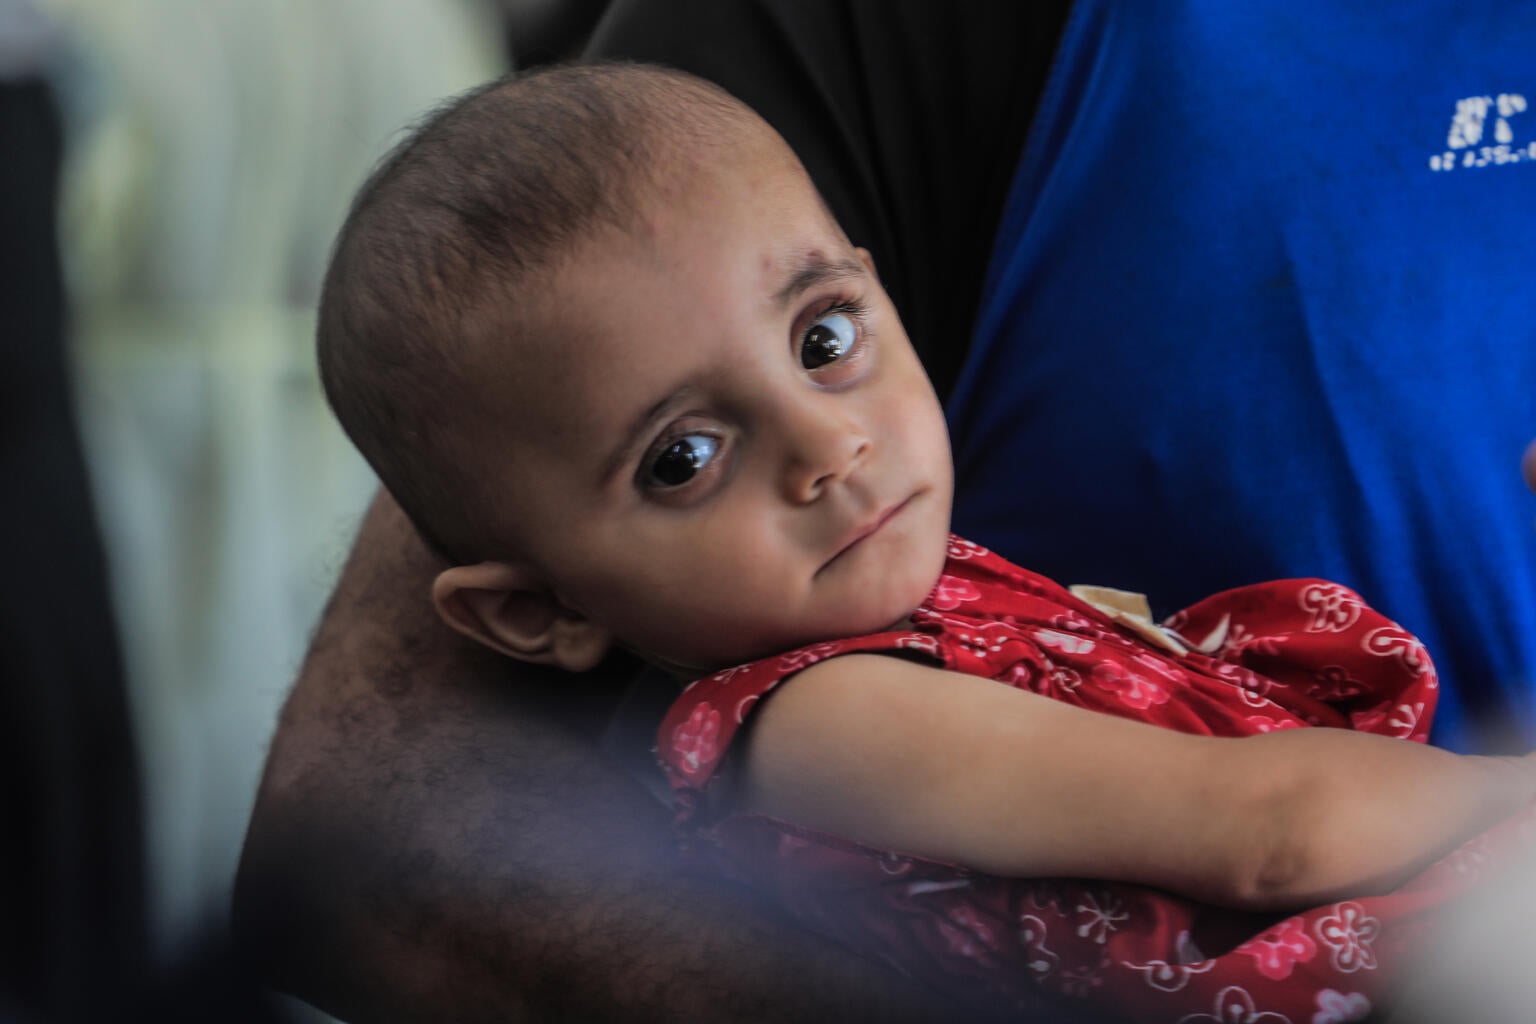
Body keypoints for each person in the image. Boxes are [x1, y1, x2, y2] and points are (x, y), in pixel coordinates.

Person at [235, 1, 1536, 1020]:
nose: (824, 444)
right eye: (683, 458)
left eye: (827, 334)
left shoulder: (953, 606)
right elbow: (1269, 834)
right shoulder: (823, 712)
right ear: (538, 610)